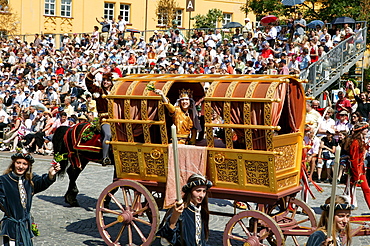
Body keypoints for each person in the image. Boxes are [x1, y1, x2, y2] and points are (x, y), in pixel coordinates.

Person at [0, 152, 61, 245]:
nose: (21, 166)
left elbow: (42, 182)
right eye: (18, 163)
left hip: (25, 226)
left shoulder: (30, 180)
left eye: (24, 164)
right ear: (13, 163)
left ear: (28, 166)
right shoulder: (3, 180)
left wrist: (51, 175)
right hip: (11, 227)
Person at [157, 174, 212, 246]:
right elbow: (164, 242)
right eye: (198, 191)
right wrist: (175, 217)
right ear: (190, 192)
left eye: (204, 191)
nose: (201, 195)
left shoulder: (202, 211)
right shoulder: (182, 211)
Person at [85, 67, 113, 165]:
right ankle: (105, 157)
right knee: (108, 134)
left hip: (117, 119)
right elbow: (88, 83)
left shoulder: (116, 91)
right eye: (104, 80)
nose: (105, 82)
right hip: (105, 119)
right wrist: (96, 71)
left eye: (108, 80)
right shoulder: (99, 91)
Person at [345, 122, 370, 209]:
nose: (367, 130)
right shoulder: (355, 143)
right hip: (355, 170)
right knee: (351, 190)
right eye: (365, 129)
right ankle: (348, 207)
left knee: (366, 189)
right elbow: (354, 160)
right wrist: (356, 175)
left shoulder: (361, 141)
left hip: (361, 169)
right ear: (360, 131)